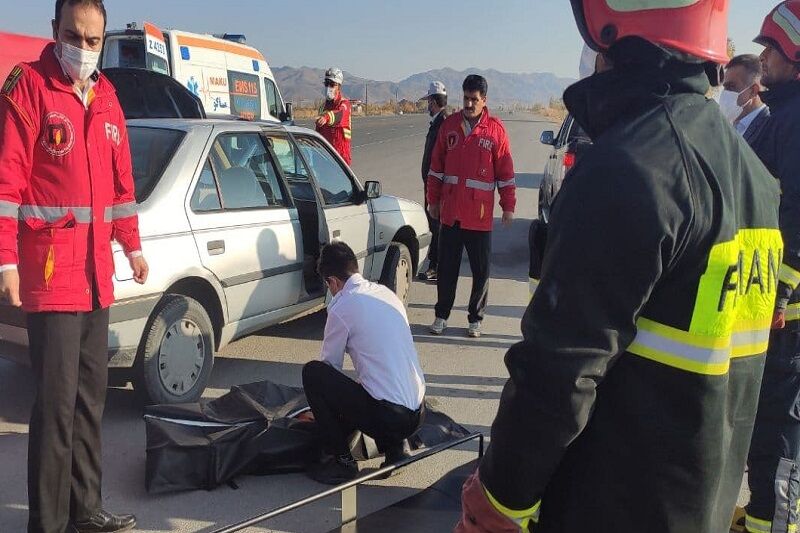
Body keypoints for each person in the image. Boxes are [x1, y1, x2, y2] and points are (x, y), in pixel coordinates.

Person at [455, 1, 782, 532]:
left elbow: (558, 371)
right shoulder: (754, 181)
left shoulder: (632, 167)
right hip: (701, 508)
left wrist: (499, 503)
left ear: (620, 37)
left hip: (612, 506)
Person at [0, 1, 149, 532]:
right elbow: (7, 187)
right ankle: (48, 523)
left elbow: (122, 189)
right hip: (49, 278)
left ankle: (85, 509)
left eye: (92, 41)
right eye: (73, 36)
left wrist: (131, 245)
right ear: (55, 31)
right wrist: (6, 262)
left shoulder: (107, 97)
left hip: (95, 279)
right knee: (56, 411)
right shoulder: (30, 90)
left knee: (91, 402)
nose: (82, 49)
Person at [743, 3, 800, 532]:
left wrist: (780, 296)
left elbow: (796, 216)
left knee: (778, 434)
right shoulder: (782, 114)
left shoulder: (796, 120)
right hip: (769, 307)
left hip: (787, 317)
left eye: (773, 50)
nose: (762, 57)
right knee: (763, 427)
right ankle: (763, 514)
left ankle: (773, 525)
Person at [302, 242, 425, 485]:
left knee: (313, 374)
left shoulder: (342, 306)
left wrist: (318, 414)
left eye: (330, 286)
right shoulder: (385, 293)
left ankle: (344, 462)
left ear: (333, 282)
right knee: (381, 384)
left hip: (389, 419)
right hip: (418, 414)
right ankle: (396, 451)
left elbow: (329, 367)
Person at [426, 74, 516, 339]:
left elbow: (506, 173)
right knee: (446, 270)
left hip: (478, 217)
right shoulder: (450, 127)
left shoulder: (495, 131)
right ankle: (441, 316)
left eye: (474, 99)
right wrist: (433, 201)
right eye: (465, 98)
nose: (468, 104)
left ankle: (475, 319)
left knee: (480, 271)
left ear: (484, 100)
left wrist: (508, 206)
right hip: (451, 214)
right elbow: (436, 169)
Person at [418, 81, 448, 282]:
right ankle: (435, 265)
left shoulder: (444, 124)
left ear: (435, 101)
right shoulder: (438, 122)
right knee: (434, 225)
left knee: (437, 227)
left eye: (429, 101)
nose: (427, 105)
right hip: (431, 184)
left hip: (437, 186)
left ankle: (437, 267)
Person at [721, 54, 770, 142]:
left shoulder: (771, 127)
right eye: (724, 87)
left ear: (753, 91)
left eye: (731, 86)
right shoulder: (725, 128)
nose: (725, 93)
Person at [316, 68, 352, 165]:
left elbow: (339, 115)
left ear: (338, 87)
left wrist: (326, 118)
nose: (328, 87)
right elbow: (318, 132)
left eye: (332, 84)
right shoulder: (322, 107)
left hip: (341, 157)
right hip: (325, 156)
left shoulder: (344, 104)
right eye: (326, 84)